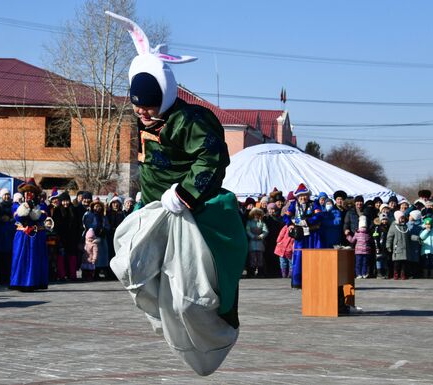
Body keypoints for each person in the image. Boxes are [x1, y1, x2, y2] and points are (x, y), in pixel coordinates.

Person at [106, 10, 246, 377]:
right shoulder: (143, 120)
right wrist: (143, 198)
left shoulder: (191, 120)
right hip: (154, 210)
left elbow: (213, 157)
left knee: (190, 297)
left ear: (166, 96)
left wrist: (184, 194)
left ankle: (215, 333)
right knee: (126, 264)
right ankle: (161, 313)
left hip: (192, 215)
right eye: (138, 106)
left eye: (150, 106)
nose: (144, 113)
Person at [10, 179, 49, 291]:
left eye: (31, 192)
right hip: (22, 235)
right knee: (20, 257)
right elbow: (18, 217)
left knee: (34, 258)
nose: (28, 195)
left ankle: (34, 282)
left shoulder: (41, 206)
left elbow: (40, 217)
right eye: (26, 193)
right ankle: (19, 282)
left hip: (36, 235)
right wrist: (26, 207)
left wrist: (33, 208)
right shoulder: (17, 205)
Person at [283, 183, 321, 289]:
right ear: (297, 197)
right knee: (299, 257)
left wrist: (308, 221)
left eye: (304, 195)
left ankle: (314, 280)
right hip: (300, 235)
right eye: (300, 196)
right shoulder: (293, 205)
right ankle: (297, 281)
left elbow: (319, 216)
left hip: (312, 234)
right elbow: (286, 217)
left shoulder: (314, 204)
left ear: (308, 196)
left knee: (312, 256)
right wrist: (290, 225)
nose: (302, 198)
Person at [245, 207, 268, 278]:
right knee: (252, 258)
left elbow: (265, 231)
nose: (256, 216)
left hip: (260, 242)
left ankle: (260, 272)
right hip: (252, 242)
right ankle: (251, 272)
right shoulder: (249, 222)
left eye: (258, 214)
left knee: (260, 257)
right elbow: (247, 230)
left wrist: (261, 236)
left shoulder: (262, 223)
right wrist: (253, 236)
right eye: (255, 214)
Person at [387, 211, 410, 280]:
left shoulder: (405, 226)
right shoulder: (393, 226)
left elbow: (408, 236)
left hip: (405, 248)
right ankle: (396, 273)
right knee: (397, 263)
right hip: (397, 248)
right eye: (401, 218)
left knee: (404, 263)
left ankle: (403, 274)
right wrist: (388, 245)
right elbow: (389, 237)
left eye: (403, 218)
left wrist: (416, 238)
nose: (403, 219)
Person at [371, 213, 391, 279]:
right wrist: (377, 247)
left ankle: (385, 272)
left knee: (385, 259)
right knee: (379, 259)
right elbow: (375, 237)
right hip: (379, 246)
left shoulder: (388, 227)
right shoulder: (377, 227)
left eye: (385, 220)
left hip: (385, 246)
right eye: (383, 220)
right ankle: (379, 273)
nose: (384, 221)